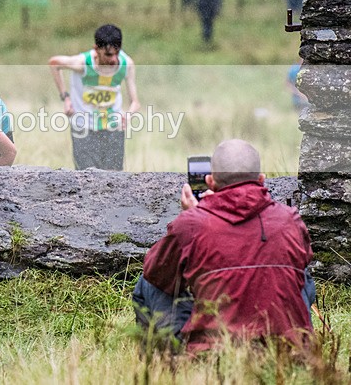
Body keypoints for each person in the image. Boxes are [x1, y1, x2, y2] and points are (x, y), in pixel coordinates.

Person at [133, 139, 315, 353]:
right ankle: (297, 345)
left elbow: (156, 273)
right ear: (261, 180)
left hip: (213, 354)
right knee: (302, 274)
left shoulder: (191, 224)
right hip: (283, 355)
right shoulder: (290, 220)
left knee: (147, 282)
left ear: (210, 182)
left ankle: (165, 363)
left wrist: (190, 216)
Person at [48, 24, 139, 170]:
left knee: (114, 179)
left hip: (112, 129)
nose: (114, 59)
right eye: (108, 55)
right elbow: (54, 63)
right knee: (86, 178)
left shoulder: (126, 64)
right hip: (83, 128)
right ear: (96, 49)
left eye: (117, 53)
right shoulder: (83, 63)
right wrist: (66, 98)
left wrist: (127, 115)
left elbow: (135, 102)